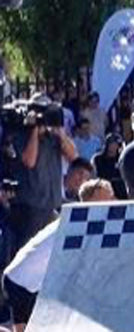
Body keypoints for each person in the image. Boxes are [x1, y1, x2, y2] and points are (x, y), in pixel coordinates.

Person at [2, 179, 114, 331]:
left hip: (27, 282)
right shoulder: (77, 223)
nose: (112, 201)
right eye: (108, 197)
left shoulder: (79, 221)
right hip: (22, 282)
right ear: (92, 198)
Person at [9, 101, 78, 251]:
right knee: (29, 250)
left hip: (52, 203)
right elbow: (29, 161)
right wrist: (34, 130)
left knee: (51, 250)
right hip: (31, 206)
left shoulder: (53, 138)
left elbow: (73, 157)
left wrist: (61, 133)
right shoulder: (22, 136)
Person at [92, 133, 127, 200]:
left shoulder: (121, 158)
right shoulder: (98, 159)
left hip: (121, 192)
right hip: (104, 189)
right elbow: (95, 176)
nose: (114, 146)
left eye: (116, 144)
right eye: (112, 144)